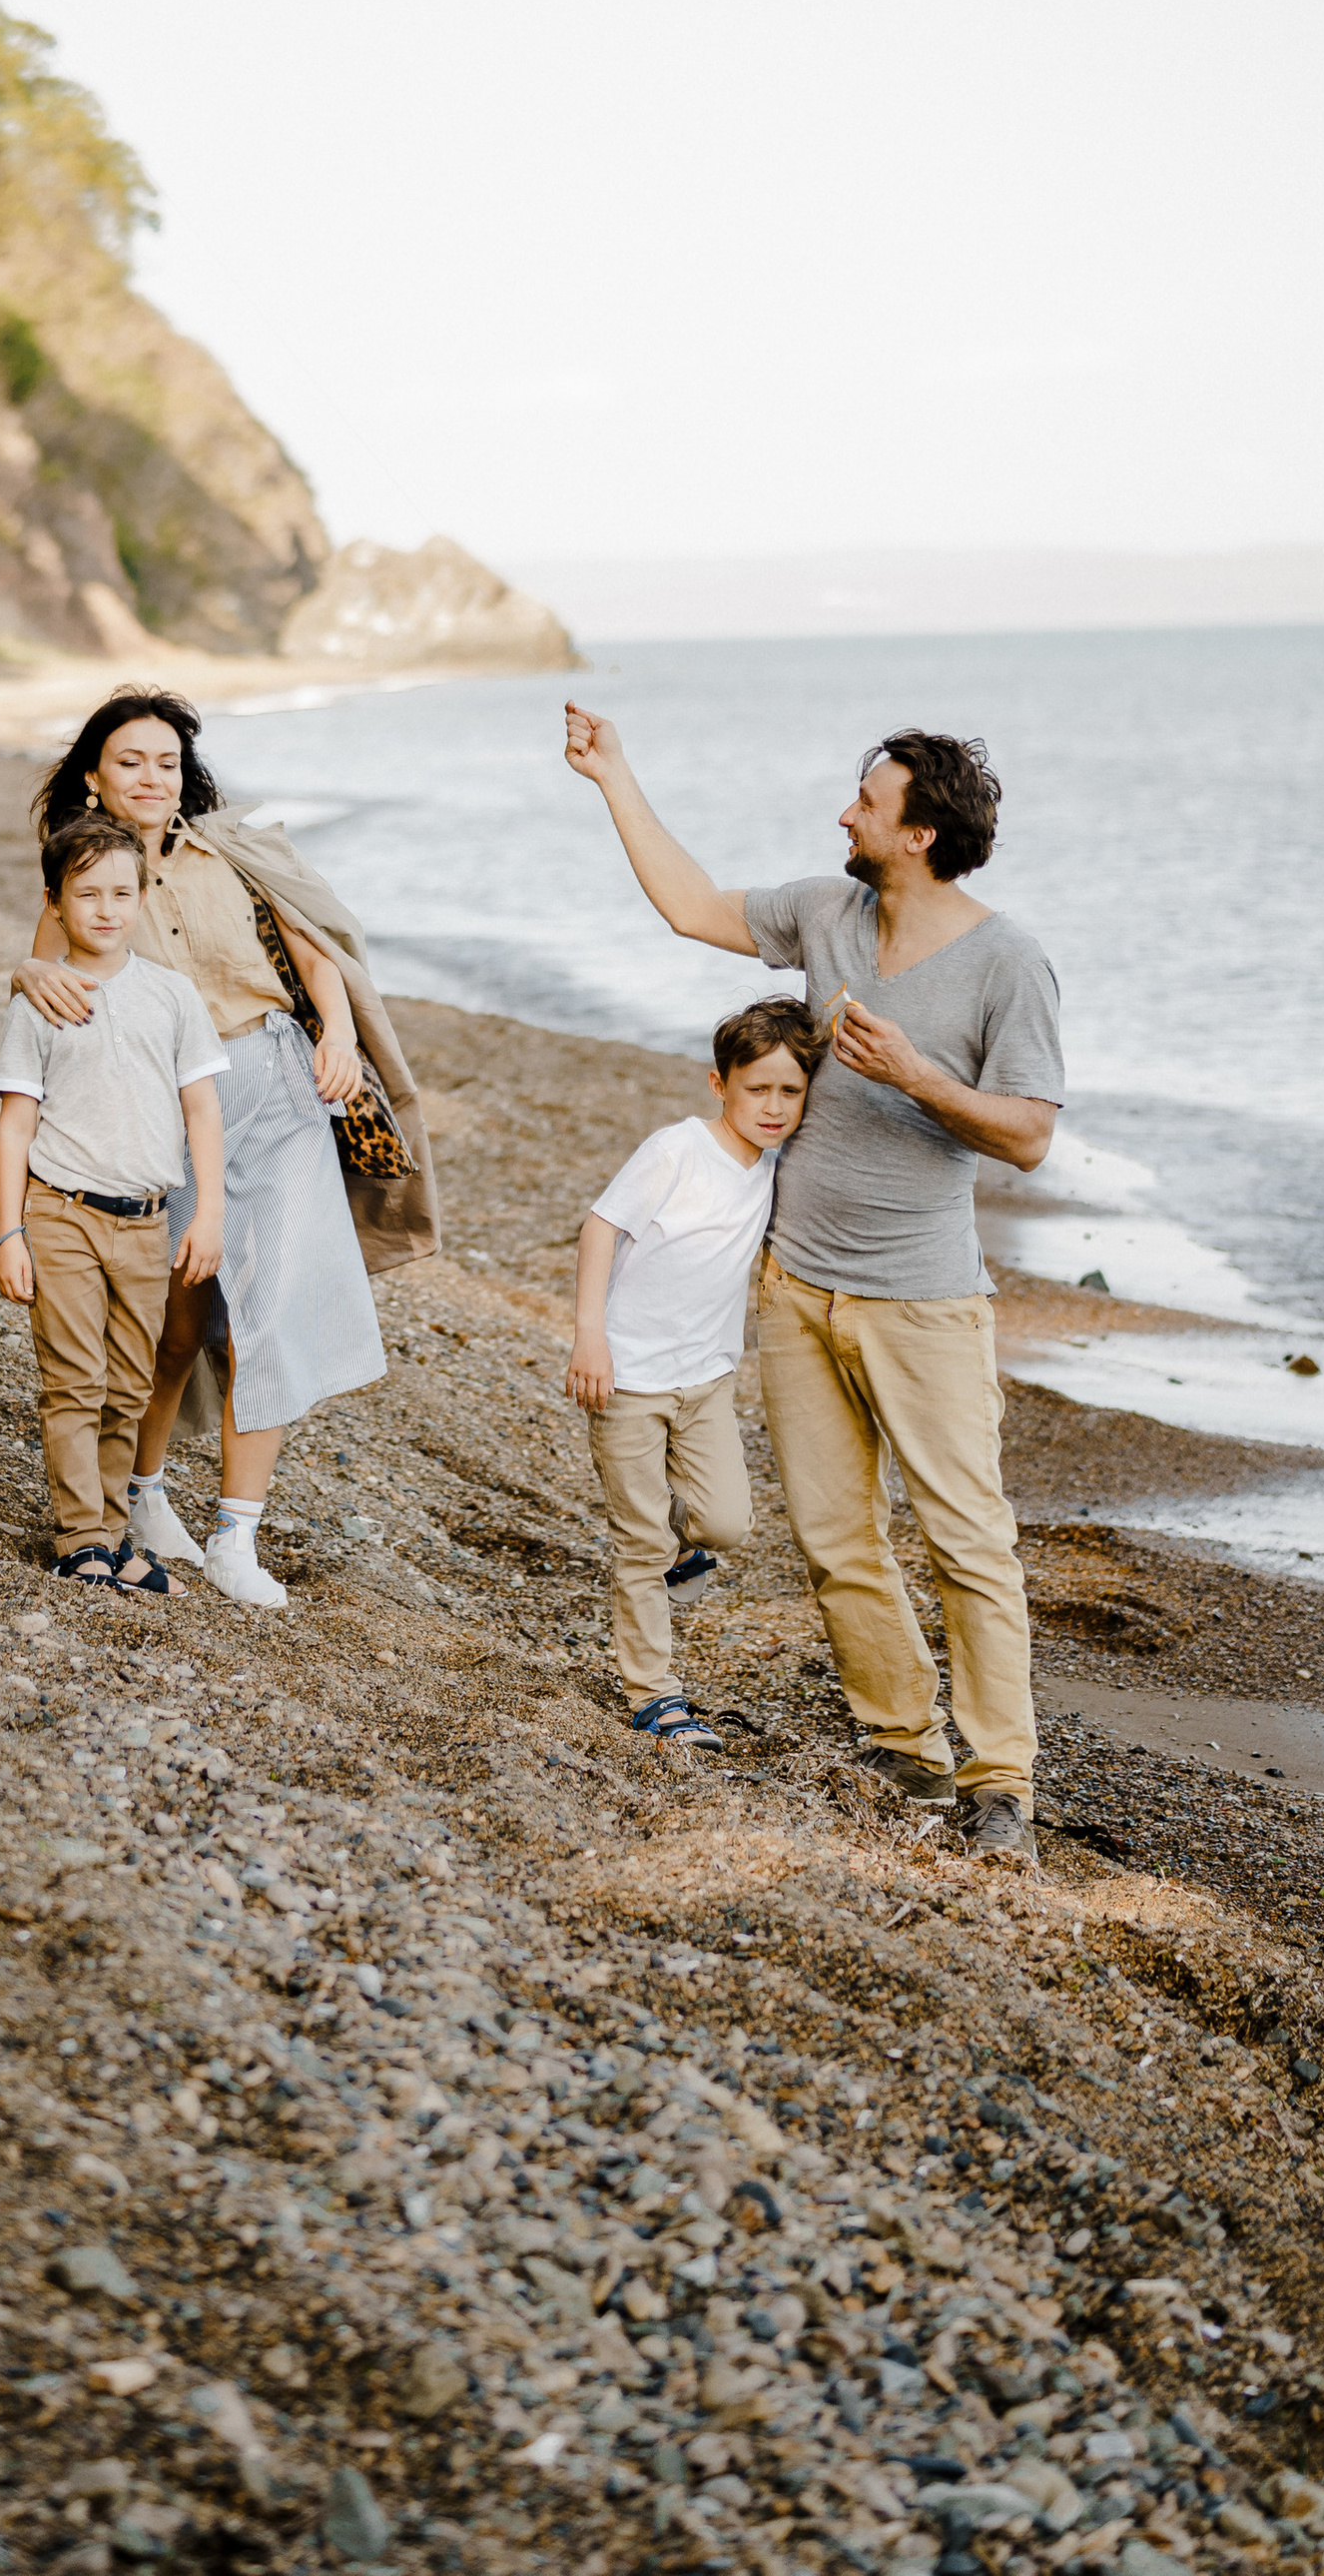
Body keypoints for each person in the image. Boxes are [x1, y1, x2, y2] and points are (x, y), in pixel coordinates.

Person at [563, 709, 1061, 1861]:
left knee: (966, 1542)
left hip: (924, 1299)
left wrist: (917, 1077)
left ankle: (997, 1782)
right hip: (796, 1293)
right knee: (837, 1539)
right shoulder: (825, 913)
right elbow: (691, 907)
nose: (845, 812)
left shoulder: (1006, 961)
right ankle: (902, 1744)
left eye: (867, 802)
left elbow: (1029, 1137)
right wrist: (614, 776)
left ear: (921, 834)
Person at [7, 688, 436, 1613]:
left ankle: (238, 1534)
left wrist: (336, 1034)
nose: (152, 777)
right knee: (174, 1324)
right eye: (131, 761)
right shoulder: (85, 872)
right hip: (165, 1107)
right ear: (96, 775)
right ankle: (148, 1494)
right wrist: (26, 967)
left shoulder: (231, 852)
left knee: (266, 1318)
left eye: (166, 761)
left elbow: (313, 948)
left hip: (276, 1087)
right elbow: (48, 973)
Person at [566, 998, 826, 1745]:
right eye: (757, 1090)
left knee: (727, 1523)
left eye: (790, 1092)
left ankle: (683, 1549)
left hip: (707, 1379)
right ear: (720, 1086)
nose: (773, 1108)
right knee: (638, 1541)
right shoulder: (677, 1149)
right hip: (626, 1379)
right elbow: (600, 1228)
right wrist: (589, 1338)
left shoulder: (778, 1165)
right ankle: (657, 1696)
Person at [0, 809, 228, 1596]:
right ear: (55, 902)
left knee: (129, 1385)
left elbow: (201, 1111)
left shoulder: (173, 997)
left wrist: (211, 1214)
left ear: (143, 897)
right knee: (73, 1380)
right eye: (86, 894)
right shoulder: (43, 999)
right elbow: (16, 1120)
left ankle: (115, 1532)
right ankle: (79, 1536)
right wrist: (9, 1231)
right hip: (61, 1213)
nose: (105, 909)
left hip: (147, 1222)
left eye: (121, 893)